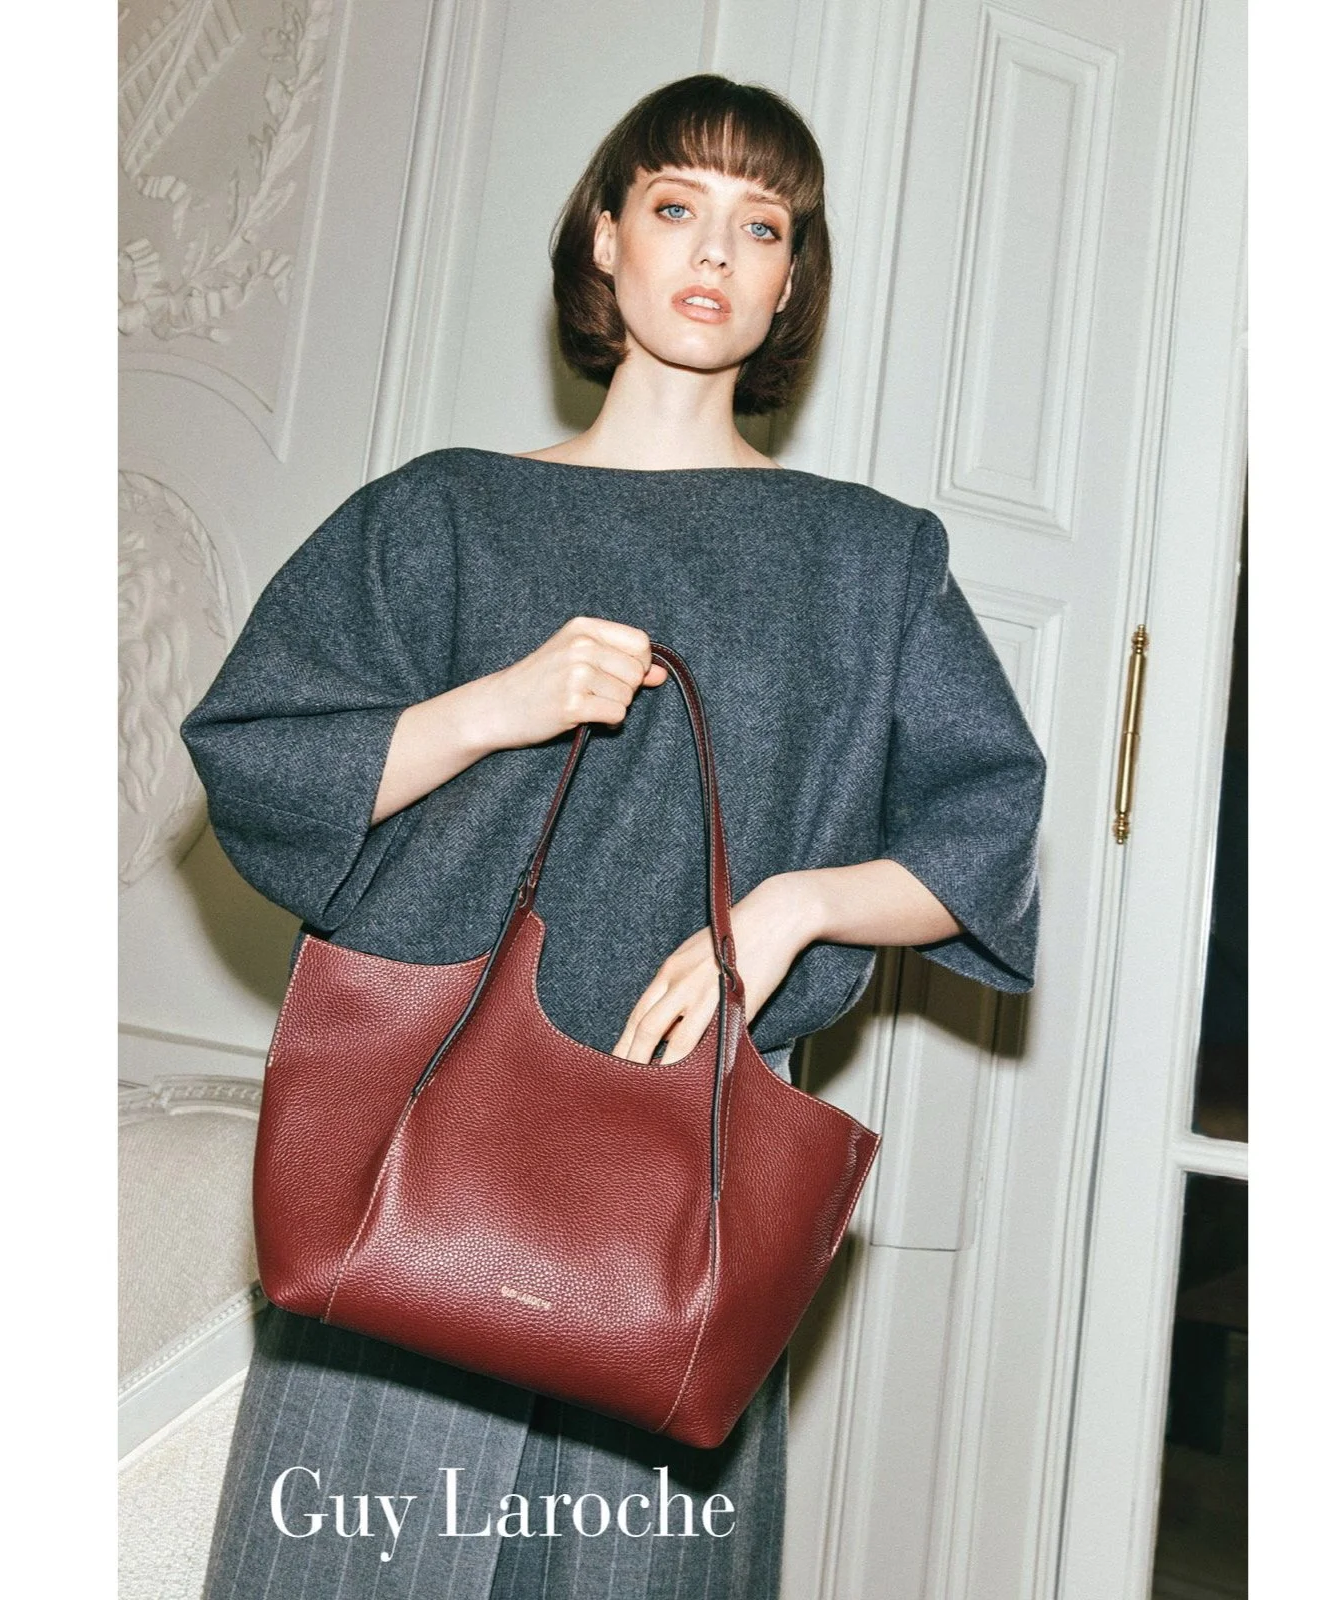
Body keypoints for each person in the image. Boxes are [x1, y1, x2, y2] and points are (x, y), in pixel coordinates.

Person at [181, 72, 1045, 1600]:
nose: (715, 250)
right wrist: (494, 706)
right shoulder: (437, 516)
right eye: (675, 205)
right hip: (411, 1152)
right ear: (604, 237)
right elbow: (258, 760)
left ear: (791, 282)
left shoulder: (868, 561)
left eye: (761, 225)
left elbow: (987, 831)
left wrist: (787, 910)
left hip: (685, 1176)